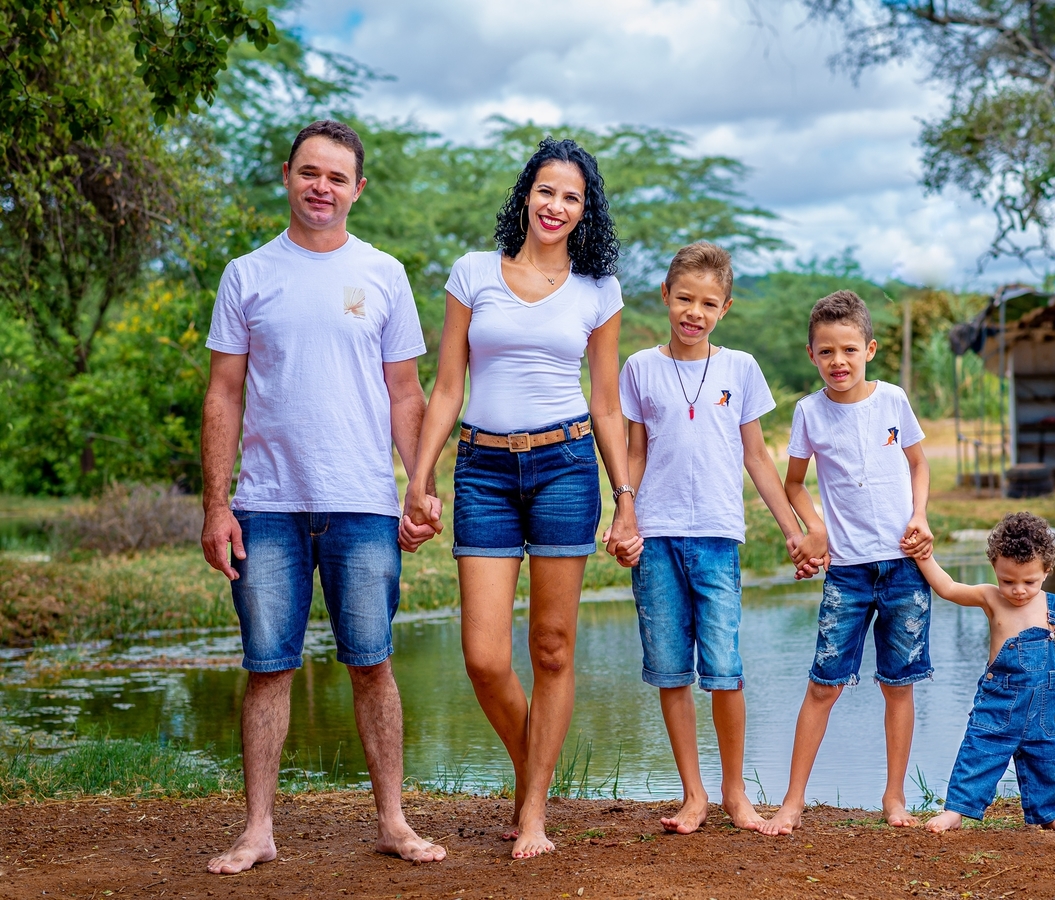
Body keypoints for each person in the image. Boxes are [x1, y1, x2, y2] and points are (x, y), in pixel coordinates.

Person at [200, 120, 446, 873]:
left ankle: (394, 823)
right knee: (268, 667)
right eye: (310, 173)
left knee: (372, 663)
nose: (322, 187)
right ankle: (257, 830)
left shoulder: (384, 274)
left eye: (337, 178)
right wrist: (217, 505)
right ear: (287, 175)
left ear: (358, 189)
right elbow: (223, 392)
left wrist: (421, 486)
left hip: (365, 504)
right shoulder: (247, 274)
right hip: (267, 506)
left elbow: (407, 393)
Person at [403, 137, 641, 859]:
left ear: (584, 210)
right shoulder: (474, 273)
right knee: (483, 655)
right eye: (546, 190)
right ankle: (530, 768)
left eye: (571, 196)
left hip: (567, 465)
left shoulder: (598, 290)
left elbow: (605, 404)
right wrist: (420, 475)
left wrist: (625, 495)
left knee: (553, 647)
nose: (556, 205)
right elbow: (446, 387)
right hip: (482, 468)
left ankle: (533, 811)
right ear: (526, 194)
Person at [618, 242, 823, 834]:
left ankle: (736, 795)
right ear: (665, 295)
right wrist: (624, 516)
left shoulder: (740, 368)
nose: (694, 312)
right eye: (685, 298)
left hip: (717, 538)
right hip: (655, 538)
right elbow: (635, 452)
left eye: (708, 303)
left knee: (725, 669)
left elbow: (757, 456)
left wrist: (796, 529)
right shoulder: (639, 368)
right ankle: (694, 795)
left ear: (725, 307)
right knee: (670, 671)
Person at [762, 289, 933, 835]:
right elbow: (794, 483)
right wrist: (816, 529)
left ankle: (894, 797)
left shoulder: (893, 402)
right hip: (849, 572)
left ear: (870, 349)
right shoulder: (809, 412)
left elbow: (918, 464)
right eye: (827, 351)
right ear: (812, 354)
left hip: (905, 565)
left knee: (898, 683)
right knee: (823, 685)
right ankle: (792, 802)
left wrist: (921, 516)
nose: (839, 361)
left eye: (849, 350)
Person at [916, 512, 1055, 832]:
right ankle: (956, 810)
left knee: (1048, 757)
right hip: (999, 702)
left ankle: (1048, 812)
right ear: (995, 566)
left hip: (1043, 705)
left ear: (1047, 571)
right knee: (979, 751)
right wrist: (924, 557)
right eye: (1007, 580)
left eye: (1029, 582)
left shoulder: (1054, 606)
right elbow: (949, 587)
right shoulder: (990, 598)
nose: (1018, 590)